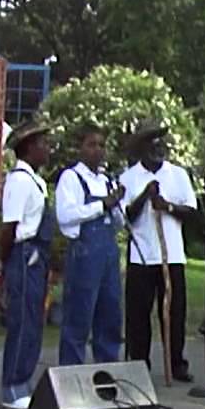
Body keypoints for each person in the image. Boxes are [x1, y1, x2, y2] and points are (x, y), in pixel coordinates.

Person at [119, 120, 198, 382]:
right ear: (141, 148)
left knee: (175, 313)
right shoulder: (128, 178)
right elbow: (125, 216)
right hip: (141, 256)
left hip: (172, 256)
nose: (158, 147)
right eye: (151, 142)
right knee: (139, 314)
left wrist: (169, 207)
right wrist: (144, 196)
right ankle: (139, 363)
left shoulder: (178, 174)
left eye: (160, 141)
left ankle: (176, 362)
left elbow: (192, 211)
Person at [56, 126, 125, 366]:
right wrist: (101, 206)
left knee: (110, 313)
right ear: (80, 148)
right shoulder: (71, 177)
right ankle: (71, 373)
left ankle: (107, 368)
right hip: (84, 252)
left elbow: (118, 223)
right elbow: (65, 216)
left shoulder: (106, 180)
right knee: (79, 315)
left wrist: (117, 205)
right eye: (92, 144)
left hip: (107, 251)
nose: (98, 150)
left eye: (102, 145)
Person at [0, 122, 55, 409]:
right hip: (24, 254)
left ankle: (24, 379)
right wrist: (6, 262)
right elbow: (9, 229)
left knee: (33, 320)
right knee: (22, 322)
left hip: (37, 256)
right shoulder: (19, 181)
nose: (48, 148)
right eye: (43, 143)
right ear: (29, 147)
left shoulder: (34, 180)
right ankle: (13, 386)